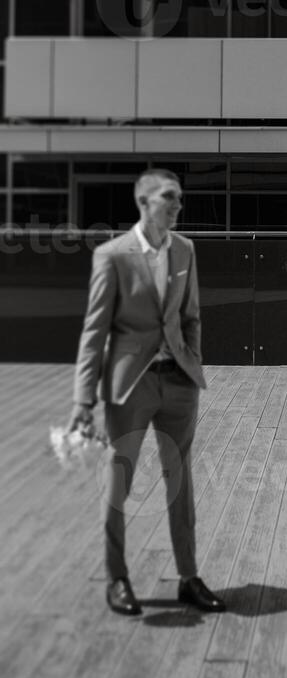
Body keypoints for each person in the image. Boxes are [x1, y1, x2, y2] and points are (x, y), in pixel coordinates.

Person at [68, 168, 225, 616]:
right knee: (118, 482)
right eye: (169, 198)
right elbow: (94, 330)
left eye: (179, 199)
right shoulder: (112, 255)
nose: (178, 206)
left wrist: (191, 360)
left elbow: (191, 315)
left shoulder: (185, 249)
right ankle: (118, 578)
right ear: (144, 202)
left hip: (178, 383)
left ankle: (188, 577)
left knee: (182, 484)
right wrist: (83, 399)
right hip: (129, 387)